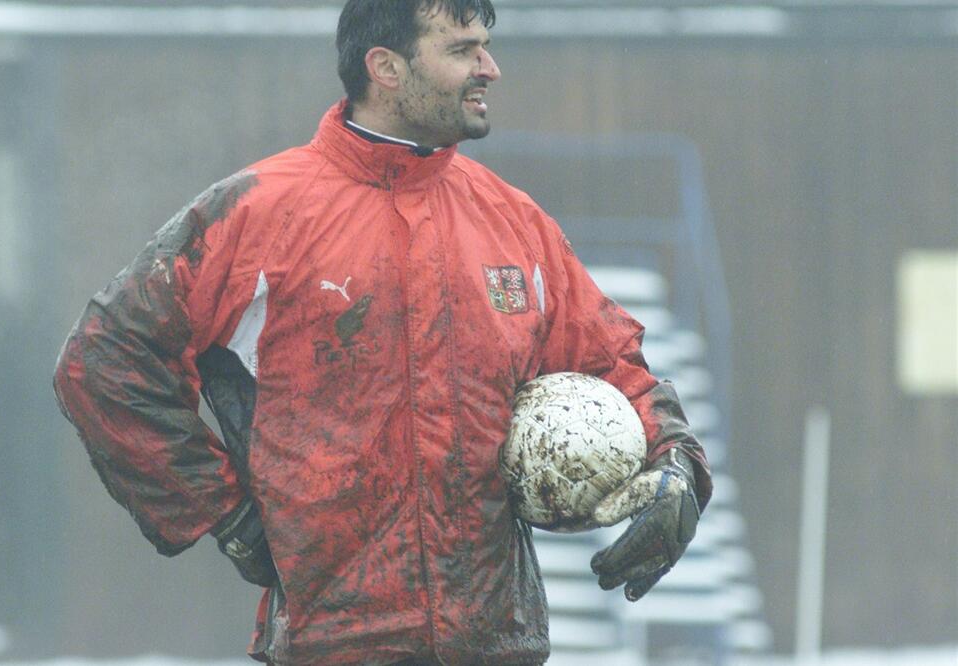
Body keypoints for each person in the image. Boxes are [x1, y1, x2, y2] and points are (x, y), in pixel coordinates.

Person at [53, 0, 712, 663]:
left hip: (496, 642)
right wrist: (222, 512)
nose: (490, 68)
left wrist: (677, 467)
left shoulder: (513, 220)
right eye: (461, 50)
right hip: (332, 642)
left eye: (485, 46)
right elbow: (103, 360)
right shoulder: (257, 213)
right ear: (385, 68)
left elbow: (612, 363)